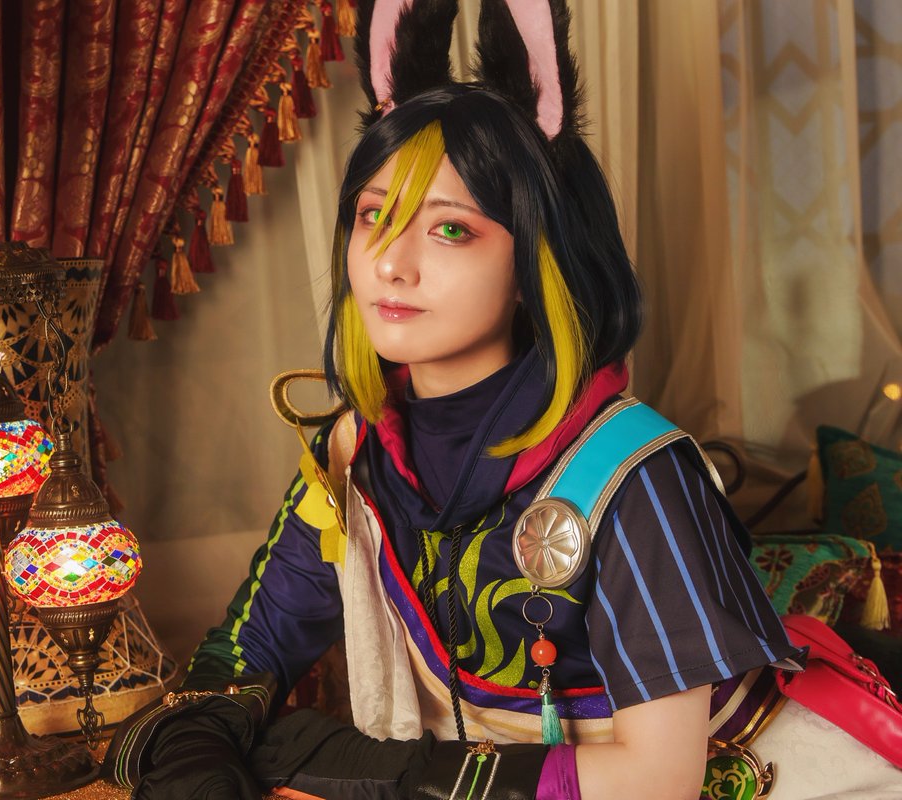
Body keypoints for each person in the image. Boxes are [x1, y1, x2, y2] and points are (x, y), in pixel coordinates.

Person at [102, 2, 902, 798]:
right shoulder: (355, 454)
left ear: (534, 260)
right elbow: (243, 658)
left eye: (450, 229)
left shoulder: (635, 475)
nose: (390, 264)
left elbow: (658, 781)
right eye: (375, 216)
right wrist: (197, 755)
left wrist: (380, 771)